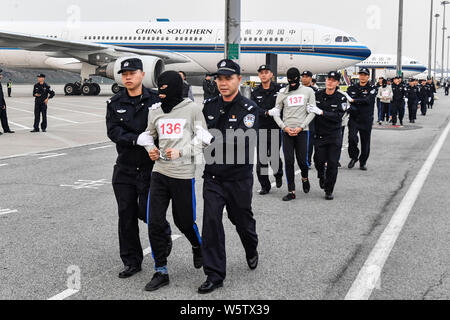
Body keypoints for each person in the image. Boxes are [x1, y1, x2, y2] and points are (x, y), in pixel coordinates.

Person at [139, 71, 212, 292]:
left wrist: (181, 152)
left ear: (175, 88)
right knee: (154, 222)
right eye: (158, 91)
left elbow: (204, 139)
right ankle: (161, 269)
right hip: (159, 172)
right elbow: (147, 134)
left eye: (165, 91)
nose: (161, 96)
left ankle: (197, 245)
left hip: (182, 175)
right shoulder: (155, 111)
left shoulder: (192, 109)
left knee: (185, 221)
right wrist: (151, 149)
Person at [199, 59, 259, 294]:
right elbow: (198, 130)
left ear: (238, 80)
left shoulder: (249, 109)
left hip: (238, 178)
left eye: (228, 78)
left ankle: (251, 247)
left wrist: (209, 140)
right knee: (211, 223)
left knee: (242, 221)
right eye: (220, 79)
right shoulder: (209, 106)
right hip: (213, 177)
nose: (223, 83)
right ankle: (214, 274)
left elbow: (242, 140)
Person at [106, 58, 163, 279]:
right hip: (125, 168)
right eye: (124, 74)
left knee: (149, 214)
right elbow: (113, 131)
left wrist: (155, 145)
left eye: (132, 73)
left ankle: (162, 248)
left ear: (142, 74)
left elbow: (165, 127)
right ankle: (131, 261)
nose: (127, 77)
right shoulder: (115, 102)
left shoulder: (157, 101)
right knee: (126, 215)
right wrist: (134, 139)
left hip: (151, 168)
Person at [269, 67, 316, 201]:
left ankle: (305, 178)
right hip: (286, 131)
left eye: (295, 79)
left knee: (302, 161)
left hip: (302, 131)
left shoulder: (308, 91)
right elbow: (275, 113)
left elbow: (312, 111)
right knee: (289, 161)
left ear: (299, 78)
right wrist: (284, 127)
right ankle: (291, 190)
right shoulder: (282, 93)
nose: (292, 82)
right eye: (290, 80)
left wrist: (301, 127)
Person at [310, 71, 347, 200]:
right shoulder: (316, 95)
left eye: (333, 80)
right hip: (319, 135)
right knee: (318, 161)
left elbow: (338, 117)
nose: (330, 82)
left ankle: (329, 190)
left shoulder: (341, 98)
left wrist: (321, 112)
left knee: (332, 163)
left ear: (337, 83)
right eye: (328, 79)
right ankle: (321, 175)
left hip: (334, 135)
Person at [250, 64, 284, 195]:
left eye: (266, 72)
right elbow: (254, 108)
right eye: (261, 72)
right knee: (262, 159)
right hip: (261, 129)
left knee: (274, 156)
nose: (263, 74)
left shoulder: (279, 90)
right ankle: (265, 185)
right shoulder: (255, 92)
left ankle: (278, 174)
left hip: (275, 128)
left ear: (271, 75)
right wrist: (267, 112)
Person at [345, 68, 377, 171]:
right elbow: (347, 100)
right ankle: (354, 157)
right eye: (361, 74)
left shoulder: (372, 88)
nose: (362, 76)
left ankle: (363, 162)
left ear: (368, 76)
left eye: (365, 75)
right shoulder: (352, 88)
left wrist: (354, 100)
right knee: (352, 138)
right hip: (354, 118)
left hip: (366, 119)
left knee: (365, 142)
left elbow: (367, 100)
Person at [301, 70, 318, 168]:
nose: (304, 78)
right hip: (299, 118)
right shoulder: (296, 89)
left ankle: (308, 161)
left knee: (309, 142)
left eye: (306, 77)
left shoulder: (315, 91)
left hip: (311, 119)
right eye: (303, 76)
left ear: (311, 79)